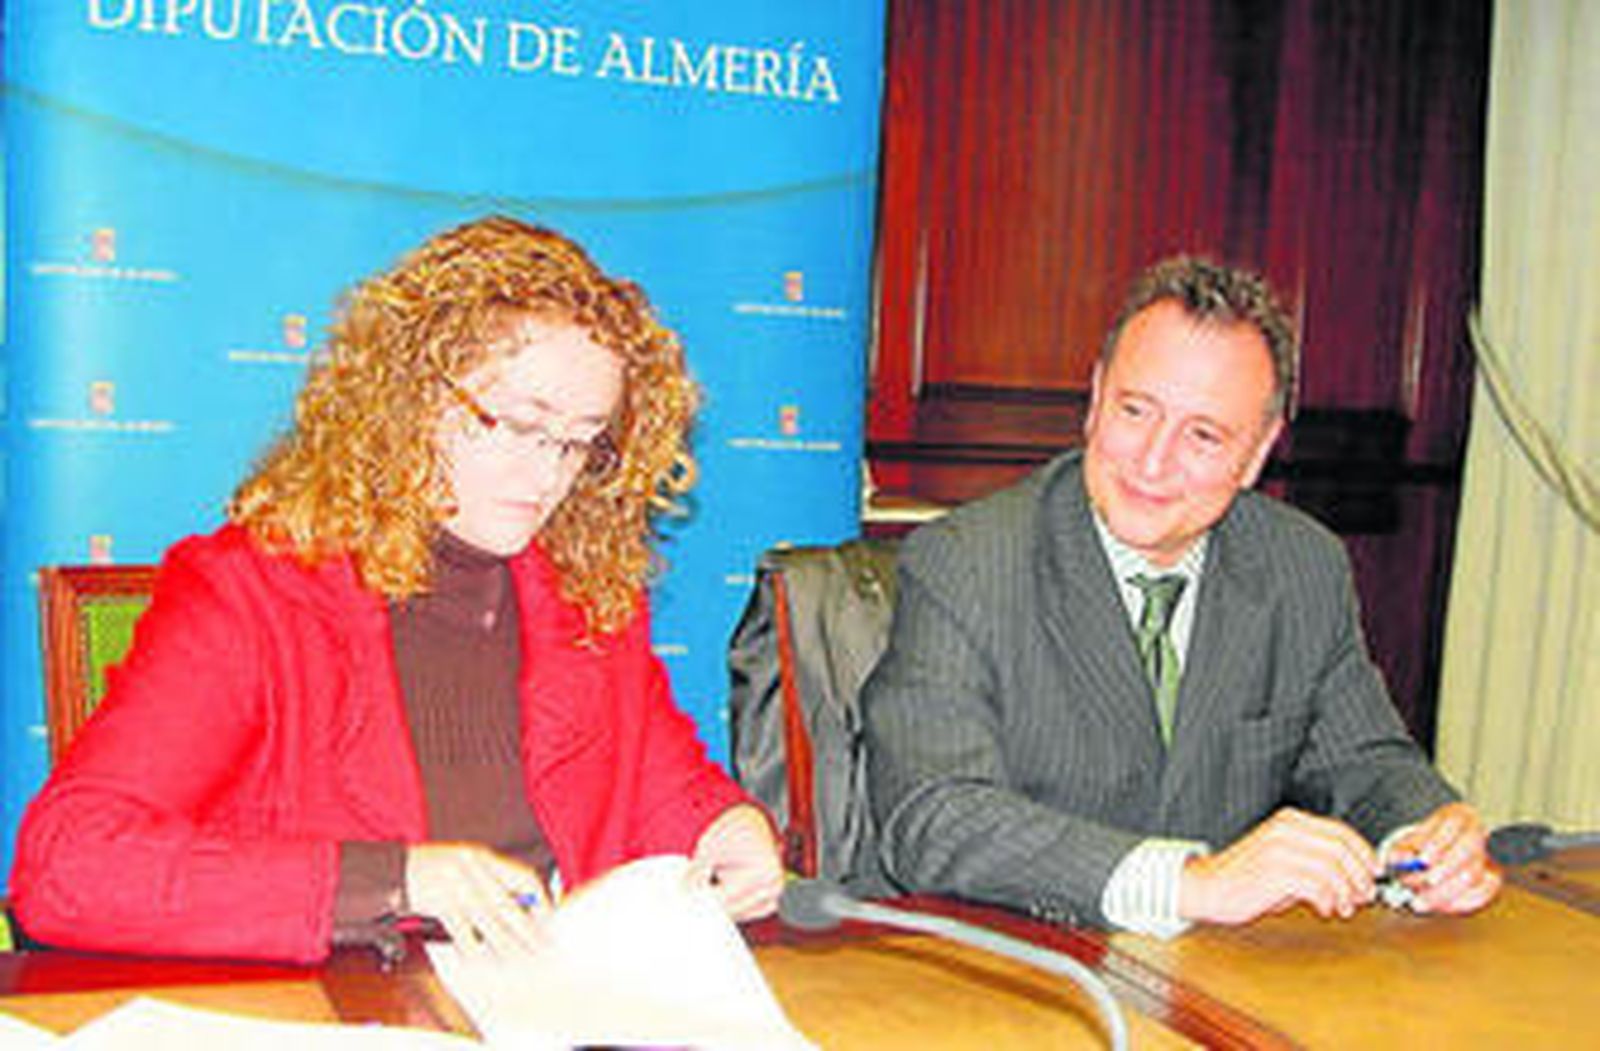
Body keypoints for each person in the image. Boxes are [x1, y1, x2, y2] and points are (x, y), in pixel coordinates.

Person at [11, 215, 783, 962]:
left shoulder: (585, 596)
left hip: (549, 1004)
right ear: (410, 398)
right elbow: (66, 866)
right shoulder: (251, 594)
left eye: (579, 442)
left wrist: (721, 824)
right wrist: (396, 878)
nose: (548, 473)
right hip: (340, 1007)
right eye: (519, 425)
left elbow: (660, 779)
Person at [862, 256, 1501, 937]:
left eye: (1203, 435)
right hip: (1014, 963)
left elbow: (1364, 758)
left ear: (1257, 453)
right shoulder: (968, 562)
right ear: (1096, 398)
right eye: (1136, 410)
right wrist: (1191, 884)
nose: (1152, 461)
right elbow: (934, 815)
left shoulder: (1301, 567)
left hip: (1217, 972)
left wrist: (1427, 832)